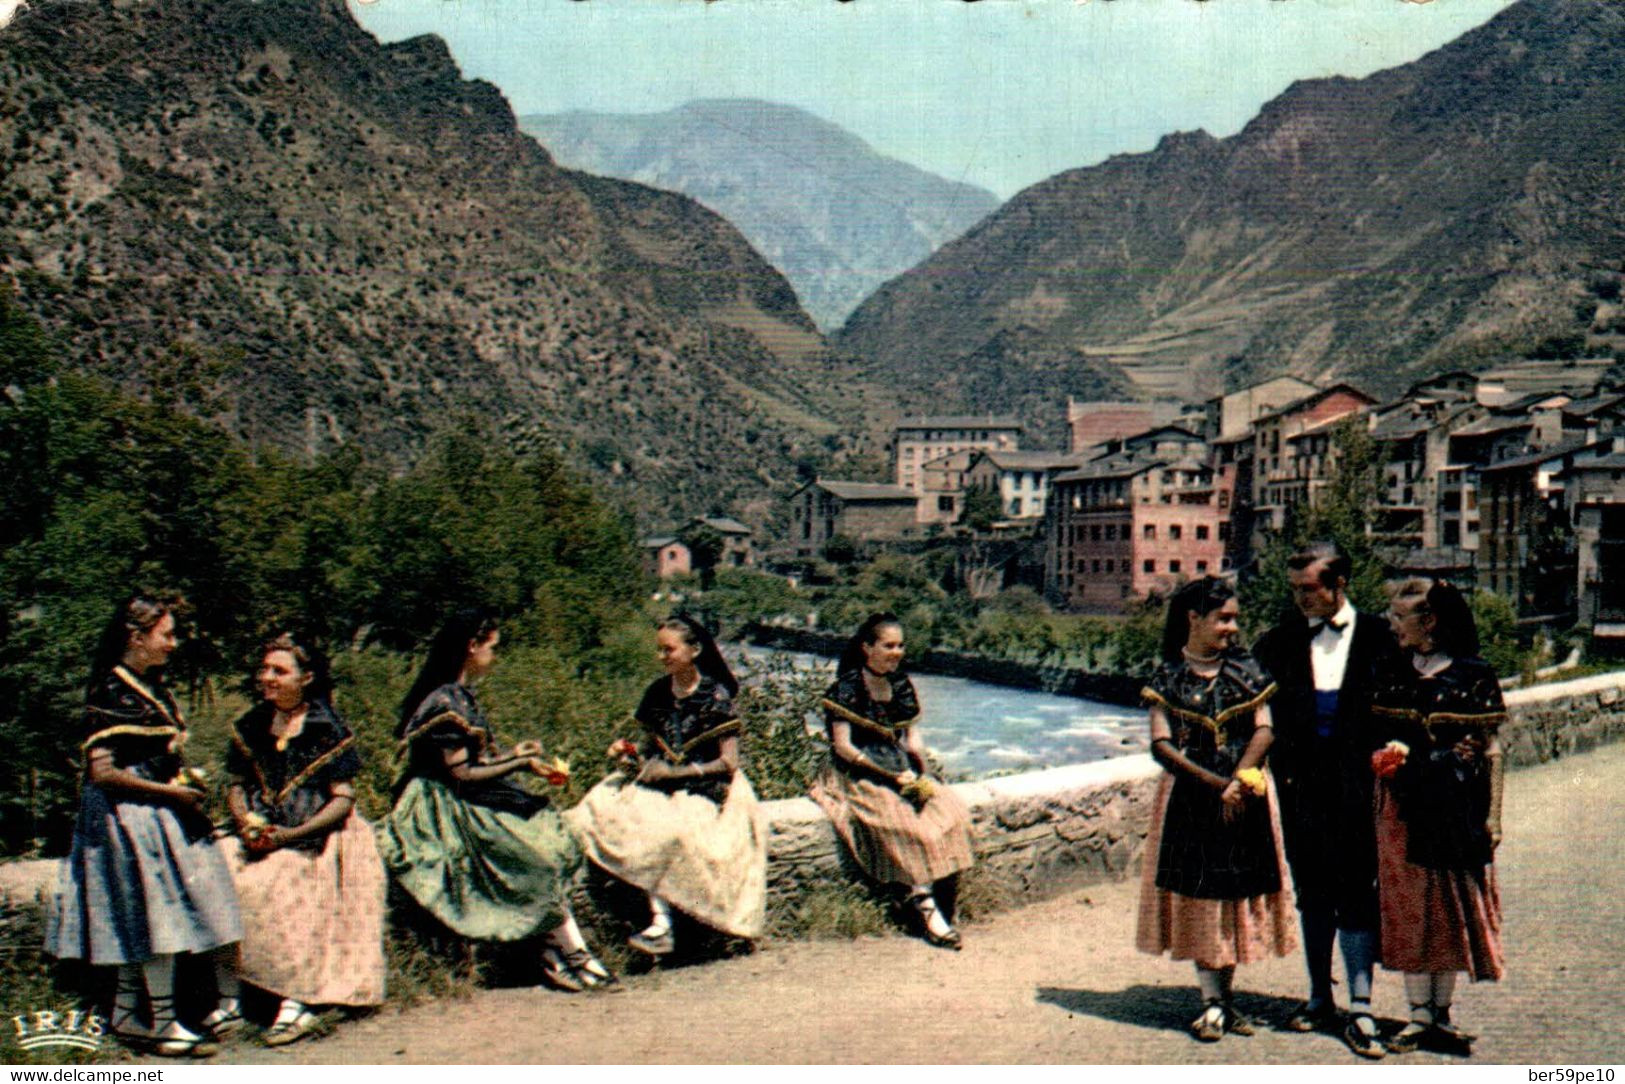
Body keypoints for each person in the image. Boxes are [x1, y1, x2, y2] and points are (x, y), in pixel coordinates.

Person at [45, 594, 244, 1057]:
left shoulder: (152, 686)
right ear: (136, 637)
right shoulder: (110, 690)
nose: (174, 644)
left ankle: (130, 1013)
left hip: (156, 814)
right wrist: (172, 793)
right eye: (166, 634)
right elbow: (102, 771)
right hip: (125, 816)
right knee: (155, 914)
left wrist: (181, 788)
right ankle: (163, 1019)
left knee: (155, 911)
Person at [379, 608, 611, 992]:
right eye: (493, 647)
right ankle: (566, 952)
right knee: (530, 852)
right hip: (439, 804)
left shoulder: (459, 694)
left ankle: (561, 950)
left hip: (460, 793)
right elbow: (461, 773)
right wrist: (518, 762)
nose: (495, 655)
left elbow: (475, 761)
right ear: (472, 647)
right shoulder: (445, 701)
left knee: (546, 841)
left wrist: (517, 757)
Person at [1254, 540, 1404, 1058]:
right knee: (1311, 892)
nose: (1300, 599)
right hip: (1301, 791)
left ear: (1340, 584)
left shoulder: (1385, 639)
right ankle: (1320, 997)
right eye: (1294, 589)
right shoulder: (1276, 643)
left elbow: (1406, 710)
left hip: (1362, 788)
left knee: (1357, 891)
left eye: (1310, 588)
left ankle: (1360, 1006)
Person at [1136, 577, 1297, 1041]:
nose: (1232, 627)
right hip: (1190, 798)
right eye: (1223, 618)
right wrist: (1214, 787)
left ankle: (1224, 1001)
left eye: (1234, 619)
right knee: (1203, 900)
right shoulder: (1166, 676)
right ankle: (1212, 1003)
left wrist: (1238, 780)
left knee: (1234, 897)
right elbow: (1162, 746)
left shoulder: (1247, 670)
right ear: (1193, 619)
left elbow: (1264, 730)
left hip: (1244, 796)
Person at [220, 632, 387, 1046]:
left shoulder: (326, 726)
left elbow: (342, 800)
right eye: (264, 670)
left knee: (286, 877)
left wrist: (290, 835)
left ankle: (296, 997)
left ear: (306, 677)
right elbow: (237, 785)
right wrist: (245, 822)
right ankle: (229, 995)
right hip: (264, 830)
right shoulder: (252, 723)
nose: (267, 678)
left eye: (279, 671)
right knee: (216, 863)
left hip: (317, 832)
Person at [567, 614, 767, 956]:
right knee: (602, 811)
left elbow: (728, 762)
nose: (663, 657)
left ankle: (663, 924)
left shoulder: (714, 697)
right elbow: (650, 748)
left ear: (694, 650)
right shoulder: (658, 692)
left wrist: (678, 774)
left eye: (669, 650)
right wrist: (629, 756)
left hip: (706, 785)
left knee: (674, 831)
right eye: (659, 651)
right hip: (662, 782)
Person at [1370, 579, 1505, 1055]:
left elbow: (1492, 749)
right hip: (1402, 810)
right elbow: (1372, 739)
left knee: (1448, 910)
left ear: (1428, 622)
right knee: (1410, 908)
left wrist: (1495, 818)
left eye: (1399, 616)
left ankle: (1441, 1016)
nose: (1391, 624)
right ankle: (1417, 1014)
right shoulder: (1389, 672)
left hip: (1456, 809)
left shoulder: (1473, 676)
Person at [809, 613, 975, 949]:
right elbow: (843, 747)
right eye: (888, 645)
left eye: (900, 645)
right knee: (910, 828)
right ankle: (923, 905)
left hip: (898, 766)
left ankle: (942, 900)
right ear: (867, 647)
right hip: (857, 772)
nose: (896, 652)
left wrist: (925, 777)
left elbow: (912, 740)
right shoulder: (846, 688)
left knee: (951, 812)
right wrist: (888, 776)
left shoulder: (900, 684)